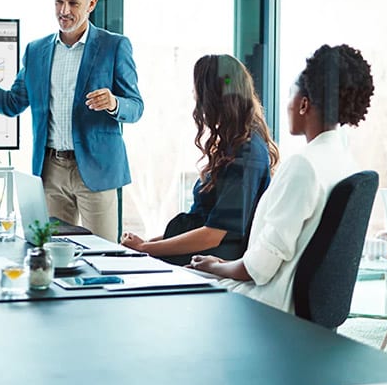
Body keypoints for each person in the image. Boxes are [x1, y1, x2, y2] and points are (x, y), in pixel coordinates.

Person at [0, 0, 143, 242]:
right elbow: (11, 103)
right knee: (52, 253)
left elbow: (135, 107)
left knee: (102, 254)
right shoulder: (36, 51)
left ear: (91, 4)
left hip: (96, 170)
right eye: (58, 2)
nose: (64, 10)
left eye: (73, 3)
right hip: (50, 170)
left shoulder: (114, 46)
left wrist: (114, 103)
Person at [188, 44, 375, 312]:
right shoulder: (346, 162)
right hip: (297, 304)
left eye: (290, 95)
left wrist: (216, 266)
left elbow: (258, 269)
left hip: (268, 303)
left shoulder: (304, 165)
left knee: (174, 283)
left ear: (303, 104)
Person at [120, 54, 279, 266]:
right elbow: (202, 223)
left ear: (213, 98)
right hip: (197, 255)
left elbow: (212, 235)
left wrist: (145, 249)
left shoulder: (246, 153)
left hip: (207, 261)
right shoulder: (233, 145)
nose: (195, 97)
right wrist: (146, 244)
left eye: (199, 91)